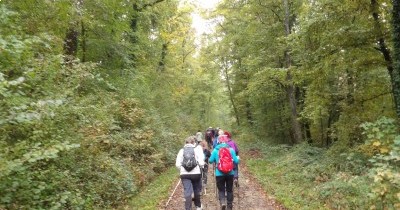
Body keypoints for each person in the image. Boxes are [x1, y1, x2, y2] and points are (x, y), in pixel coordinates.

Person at [209, 134, 239, 210]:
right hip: (230, 173)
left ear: (218, 141)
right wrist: (238, 158)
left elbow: (210, 161)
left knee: (221, 189)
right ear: (226, 141)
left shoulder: (216, 150)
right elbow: (236, 161)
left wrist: (216, 159)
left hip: (219, 173)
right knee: (229, 189)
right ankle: (229, 206)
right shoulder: (231, 150)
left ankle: (222, 202)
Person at [175, 136, 205, 210]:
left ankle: (188, 208)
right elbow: (201, 163)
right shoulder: (197, 149)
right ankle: (198, 206)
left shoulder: (181, 151)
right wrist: (200, 166)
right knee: (196, 189)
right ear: (194, 142)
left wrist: (182, 169)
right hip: (196, 173)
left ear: (185, 143)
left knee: (187, 190)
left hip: (184, 174)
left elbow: (177, 164)